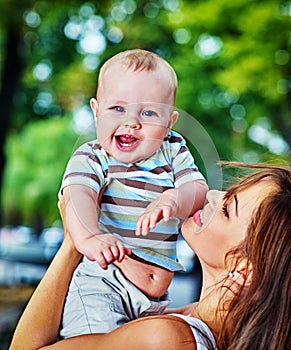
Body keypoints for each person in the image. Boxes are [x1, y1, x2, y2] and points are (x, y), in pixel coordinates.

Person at [10, 162, 291, 350]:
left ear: (242, 267)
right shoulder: (193, 324)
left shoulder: (168, 340)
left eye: (228, 209)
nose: (213, 195)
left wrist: (74, 241)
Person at [58, 49, 208, 337]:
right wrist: (89, 237)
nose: (132, 122)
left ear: (169, 123)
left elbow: (198, 189)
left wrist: (175, 198)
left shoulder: (173, 149)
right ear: (96, 111)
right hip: (102, 284)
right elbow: (78, 195)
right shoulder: (94, 156)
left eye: (149, 112)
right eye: (118, 109)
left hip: (154, 301)